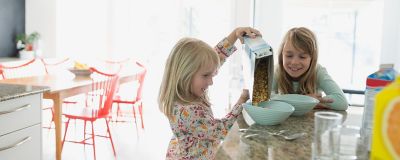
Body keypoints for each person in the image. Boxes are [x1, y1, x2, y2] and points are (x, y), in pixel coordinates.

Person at [158, 27, 260, 159]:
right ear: (185, 74)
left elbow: (216, 56)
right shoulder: (188, 112)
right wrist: (242, 99)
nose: (211, 81)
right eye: (206, 75)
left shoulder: (185, 92)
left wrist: (235, 34)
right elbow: (222, 130)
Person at [272, 27, 348, 110]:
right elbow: (264, 99)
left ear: (312, 59)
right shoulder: (277, 70)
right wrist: (305, 100)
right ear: (281, 55)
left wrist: (285, 101)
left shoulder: (318, 71)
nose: (294, 62)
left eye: (302, 57)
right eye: (289, 56)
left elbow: (342, 102)